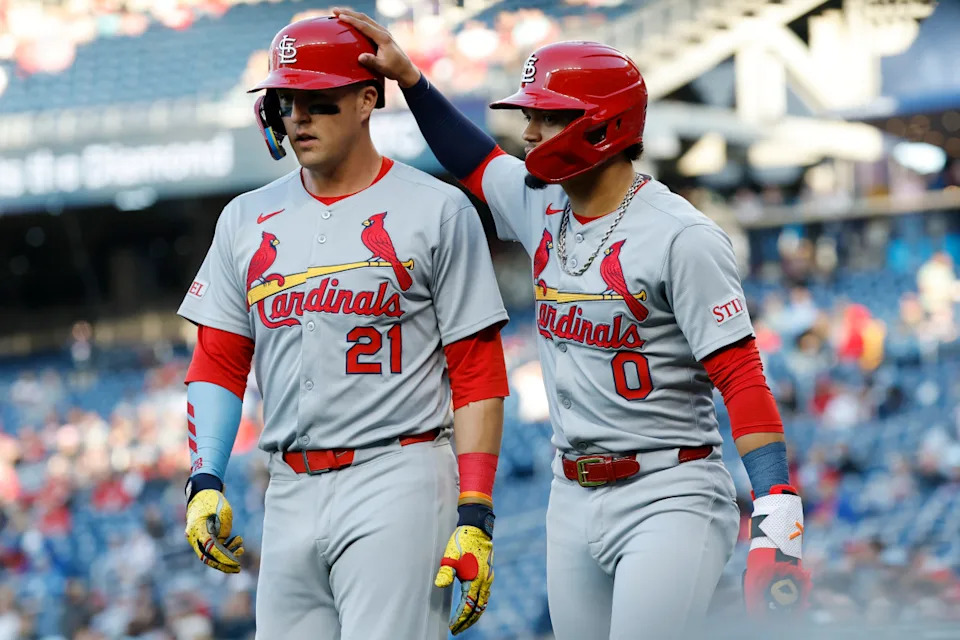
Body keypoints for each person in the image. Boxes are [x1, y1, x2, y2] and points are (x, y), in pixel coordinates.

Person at [333, 9, 811, 639]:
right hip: (571, 492)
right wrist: (413, 80)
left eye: (545, 115)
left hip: (670, 488)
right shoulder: (541, 202)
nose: (528, 131)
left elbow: (741, 376)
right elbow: (472, 159)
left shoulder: (682, 236)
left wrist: (778, 511)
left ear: (601, 127)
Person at [178, 16, 509, 639]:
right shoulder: (245, 217)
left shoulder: (437, 208)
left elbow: (476, 371)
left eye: (319, 102)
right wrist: (205, 478)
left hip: (399, 475)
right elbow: (219, 360)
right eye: (286, 101)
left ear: (365, 102)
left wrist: (475, 510)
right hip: (289, 486)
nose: (299, 117)